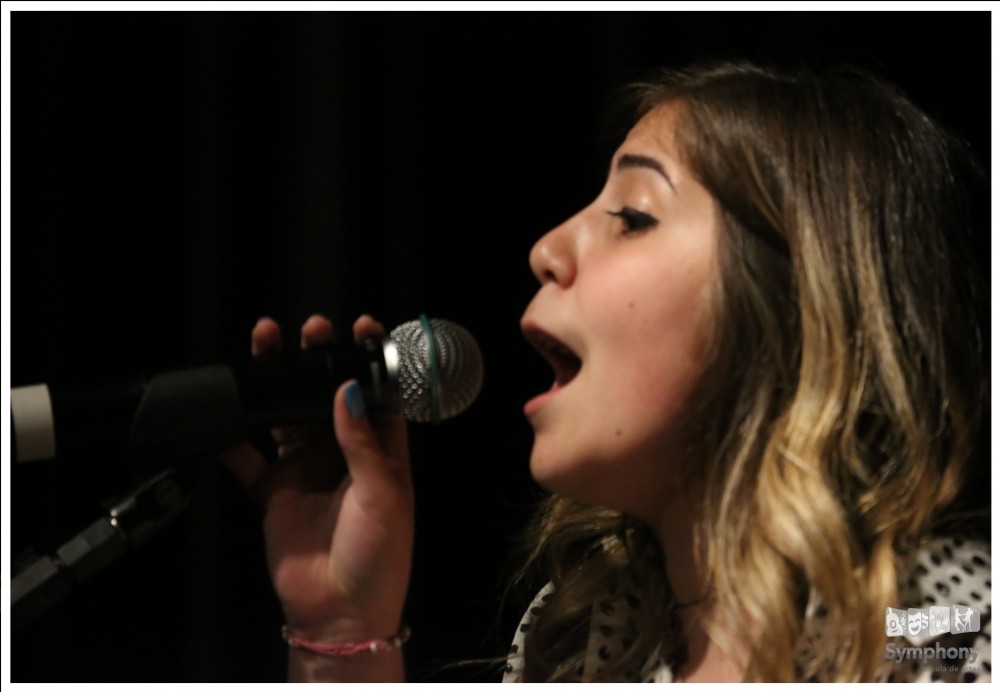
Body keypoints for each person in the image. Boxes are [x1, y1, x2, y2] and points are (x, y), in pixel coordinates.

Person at [220, 61, 990, 682]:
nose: (547, 248)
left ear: (793, 306)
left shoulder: (936, 629)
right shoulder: (586, 644)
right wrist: (344, 632)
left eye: (632, 216)